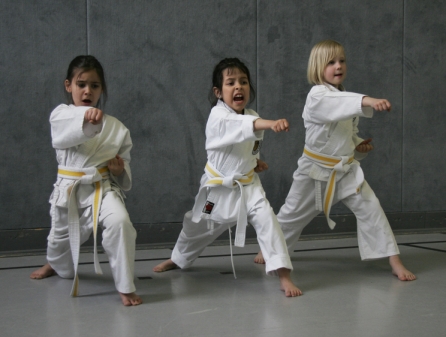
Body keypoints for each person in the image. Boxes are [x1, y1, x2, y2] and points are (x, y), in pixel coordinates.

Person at [254, 40, 416, 282]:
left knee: (372, 210)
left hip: (346, 170)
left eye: (342, 60)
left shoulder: (344, 95)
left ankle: (394, 260)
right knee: (291, 215)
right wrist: (369, 101)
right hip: (315, 171)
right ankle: (269, 250)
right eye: (331, 62)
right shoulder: (317, 95)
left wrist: (358, 144)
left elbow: (347, 133)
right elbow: (337, 106)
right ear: (318, 68)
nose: (338, 66)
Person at [153, 58, 302, 297]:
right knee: (197, 225)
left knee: (268, 221)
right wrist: (272, 123)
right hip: (217, 190)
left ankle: (284, 275)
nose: (238, 87)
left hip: (247, 187)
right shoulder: (218, 116)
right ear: (218, 92)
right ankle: (177, 258)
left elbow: (248, 146)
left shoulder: (252, 115)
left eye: (243, 82)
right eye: (230, 82)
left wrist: (255, 163)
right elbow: (240, 126)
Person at [30, 55, 142, 306]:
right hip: (69, 191)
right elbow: (61, 138)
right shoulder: (61, 115)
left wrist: (118, 169)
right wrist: (89, 122)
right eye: (81, 84)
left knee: (121, 222)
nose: (87, 91)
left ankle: (125, 285)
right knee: (60, 250)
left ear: (102, 89)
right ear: (68, 85)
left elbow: (124, 163)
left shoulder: (117, 127)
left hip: (102, 189)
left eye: (95, 85)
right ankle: (54, 261)